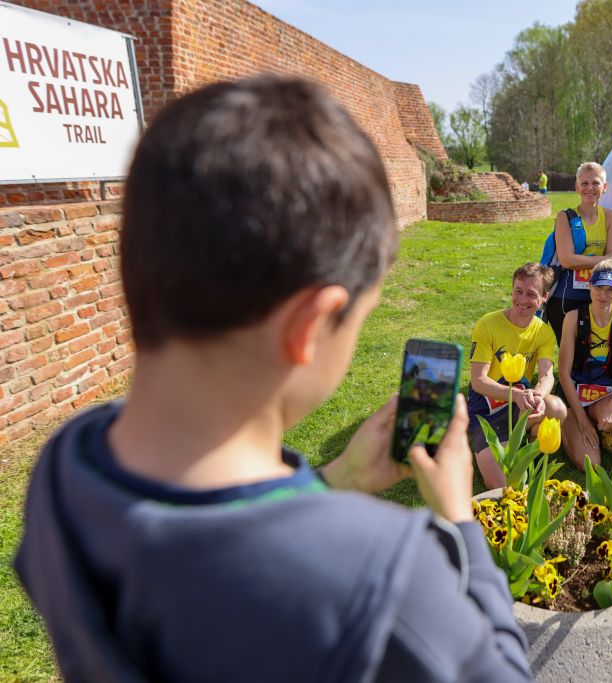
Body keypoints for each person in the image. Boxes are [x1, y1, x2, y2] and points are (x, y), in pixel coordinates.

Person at [15, 77, 532, 682]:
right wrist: (460, 521)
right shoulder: (384, 575)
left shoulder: (69, 463)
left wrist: (335, 481)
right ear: (309, 327)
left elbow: (218, 548)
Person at [468, 262, 567, 489]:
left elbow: (546, 375)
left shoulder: (543, 332)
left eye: (531, 294)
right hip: (487, 407)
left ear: (544, 297)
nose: (522, 300)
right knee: (499, 485)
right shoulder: (487, 325)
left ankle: (530, 444)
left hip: (521, 402)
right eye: (518, 291)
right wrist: (517, 397)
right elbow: (478, 381)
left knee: (557, 409)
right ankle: (497, 443)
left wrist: (538, 397)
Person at [558, 259, 612, 468]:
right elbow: (564, 373)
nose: (604, 295)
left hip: (605, 393)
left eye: (611, 290)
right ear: (589, 286)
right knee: (590, 464)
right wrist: (582, 421)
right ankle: (572, 423)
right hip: (575, 394)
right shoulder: (573, 317)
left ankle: (604, 427)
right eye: (599, 288)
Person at [545, 162, 612, 344]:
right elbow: (567, 260)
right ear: (577, 187)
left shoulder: (609, 217)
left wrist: (597, 260)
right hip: (566, 295)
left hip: (599, 293)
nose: (590, 188)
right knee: (570, 351)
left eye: (596, 183)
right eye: (584, 183)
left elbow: (611, 265)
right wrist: (605, 259)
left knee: (595, 351)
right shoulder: (564, 217)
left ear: (604, 187)